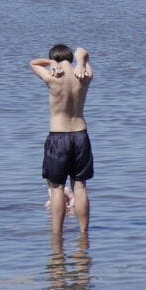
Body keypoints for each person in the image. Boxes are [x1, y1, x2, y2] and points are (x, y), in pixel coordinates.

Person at [30, 44, 93, 237]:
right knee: (80, 186)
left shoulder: (52, 77)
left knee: (56, 188)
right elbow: (83, 50)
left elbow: (32, 63)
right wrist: (81, 62)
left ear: (54, 60)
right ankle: (84, 235)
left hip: (58, 137)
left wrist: (50, 63)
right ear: (71, 59)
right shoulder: (84, 75)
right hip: (80, 135)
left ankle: (57, 236)